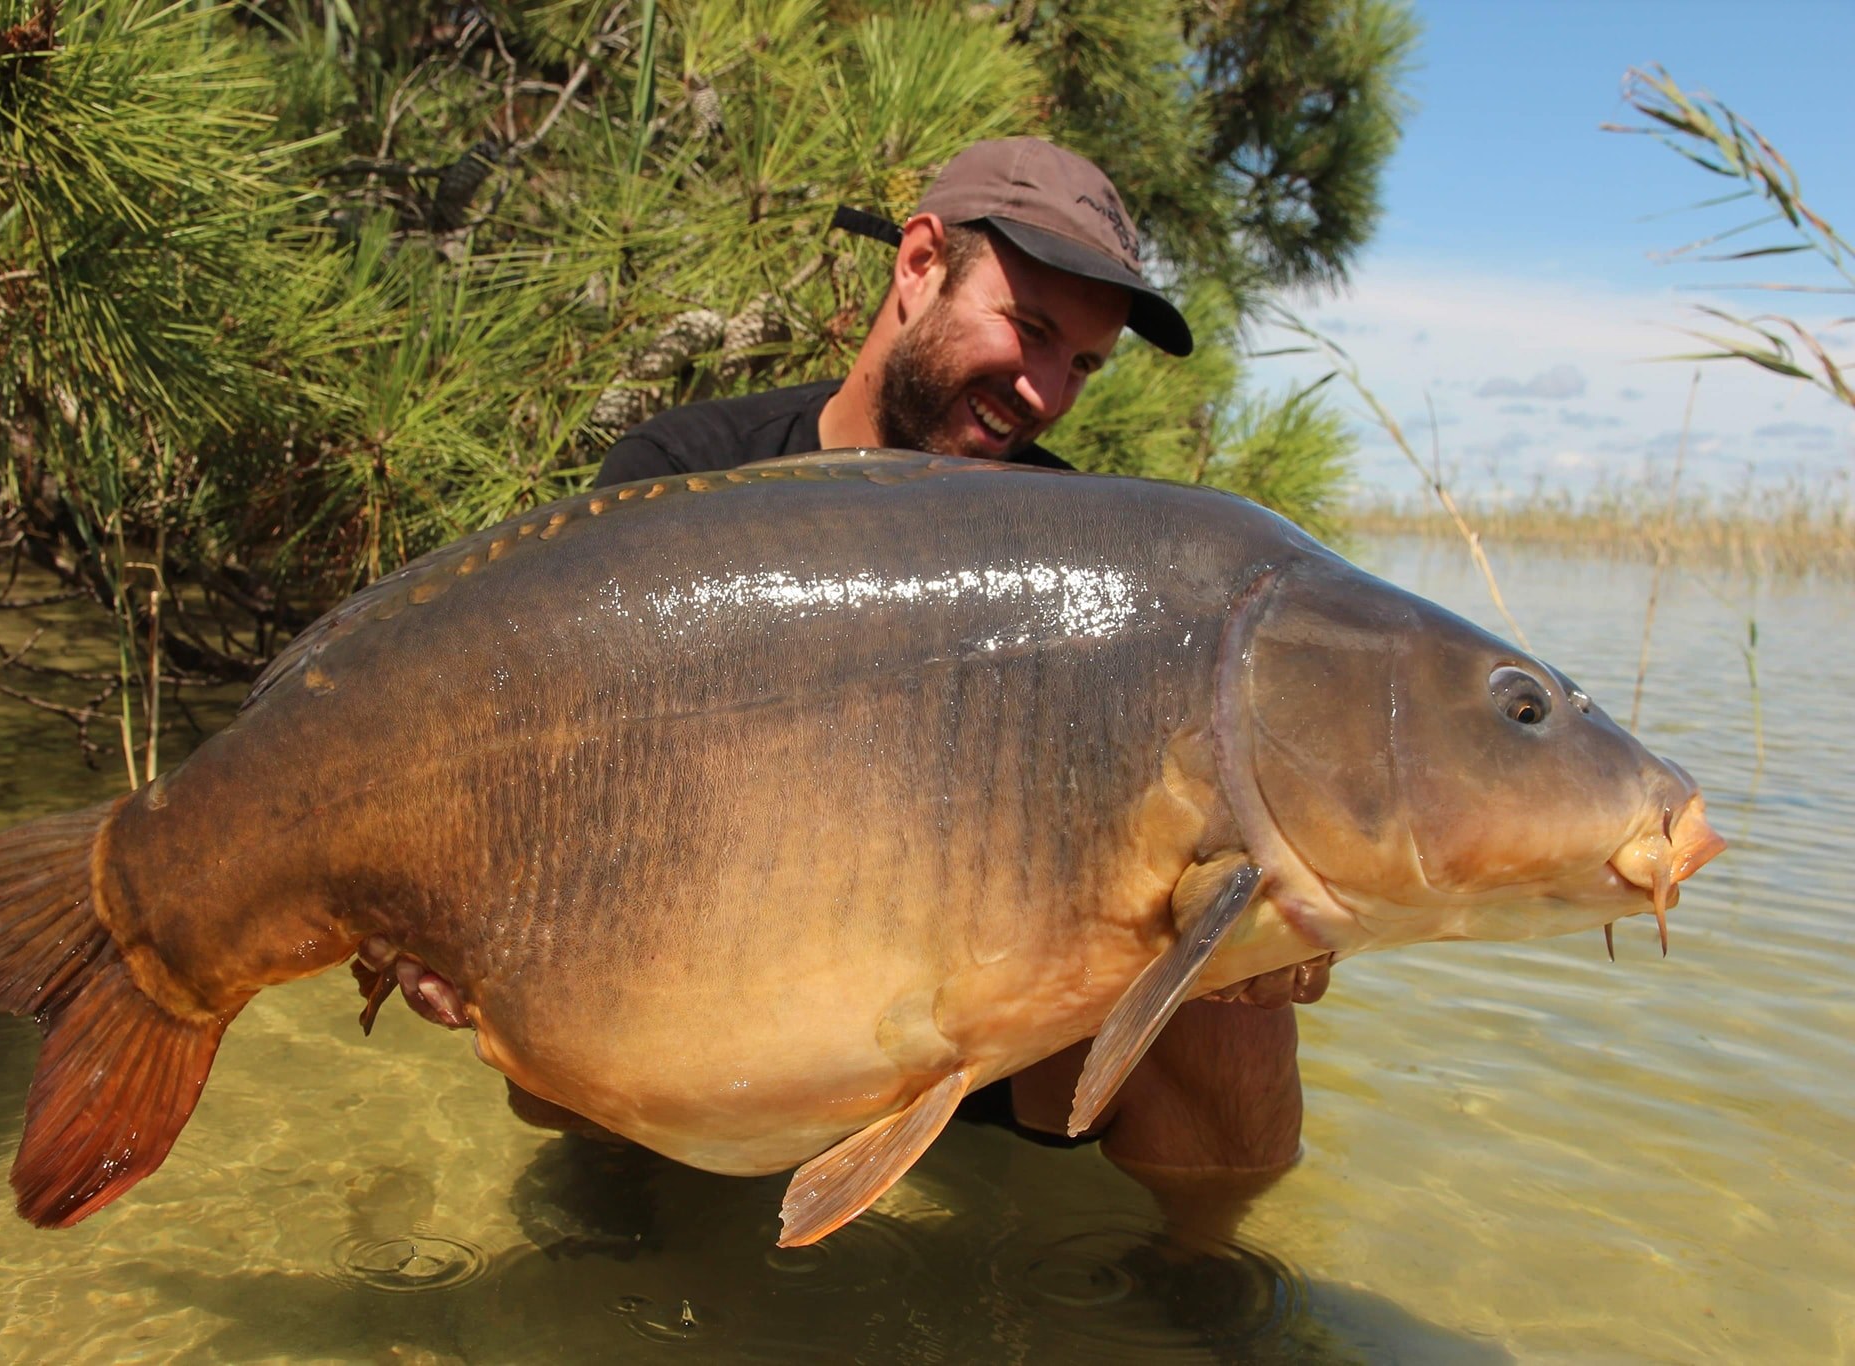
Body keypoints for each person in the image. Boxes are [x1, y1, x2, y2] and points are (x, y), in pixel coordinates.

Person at [549, 138, 1318, 1221]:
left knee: (1236, 986)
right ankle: (632, 1214)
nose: (1044, 392)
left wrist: (1252, 933)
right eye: (1031, 329)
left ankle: (1194, 1287)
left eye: (1082, 366)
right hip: (728, 968)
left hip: (981, 1004)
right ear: (917, 264)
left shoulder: (1082, 546)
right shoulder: (680, 480)